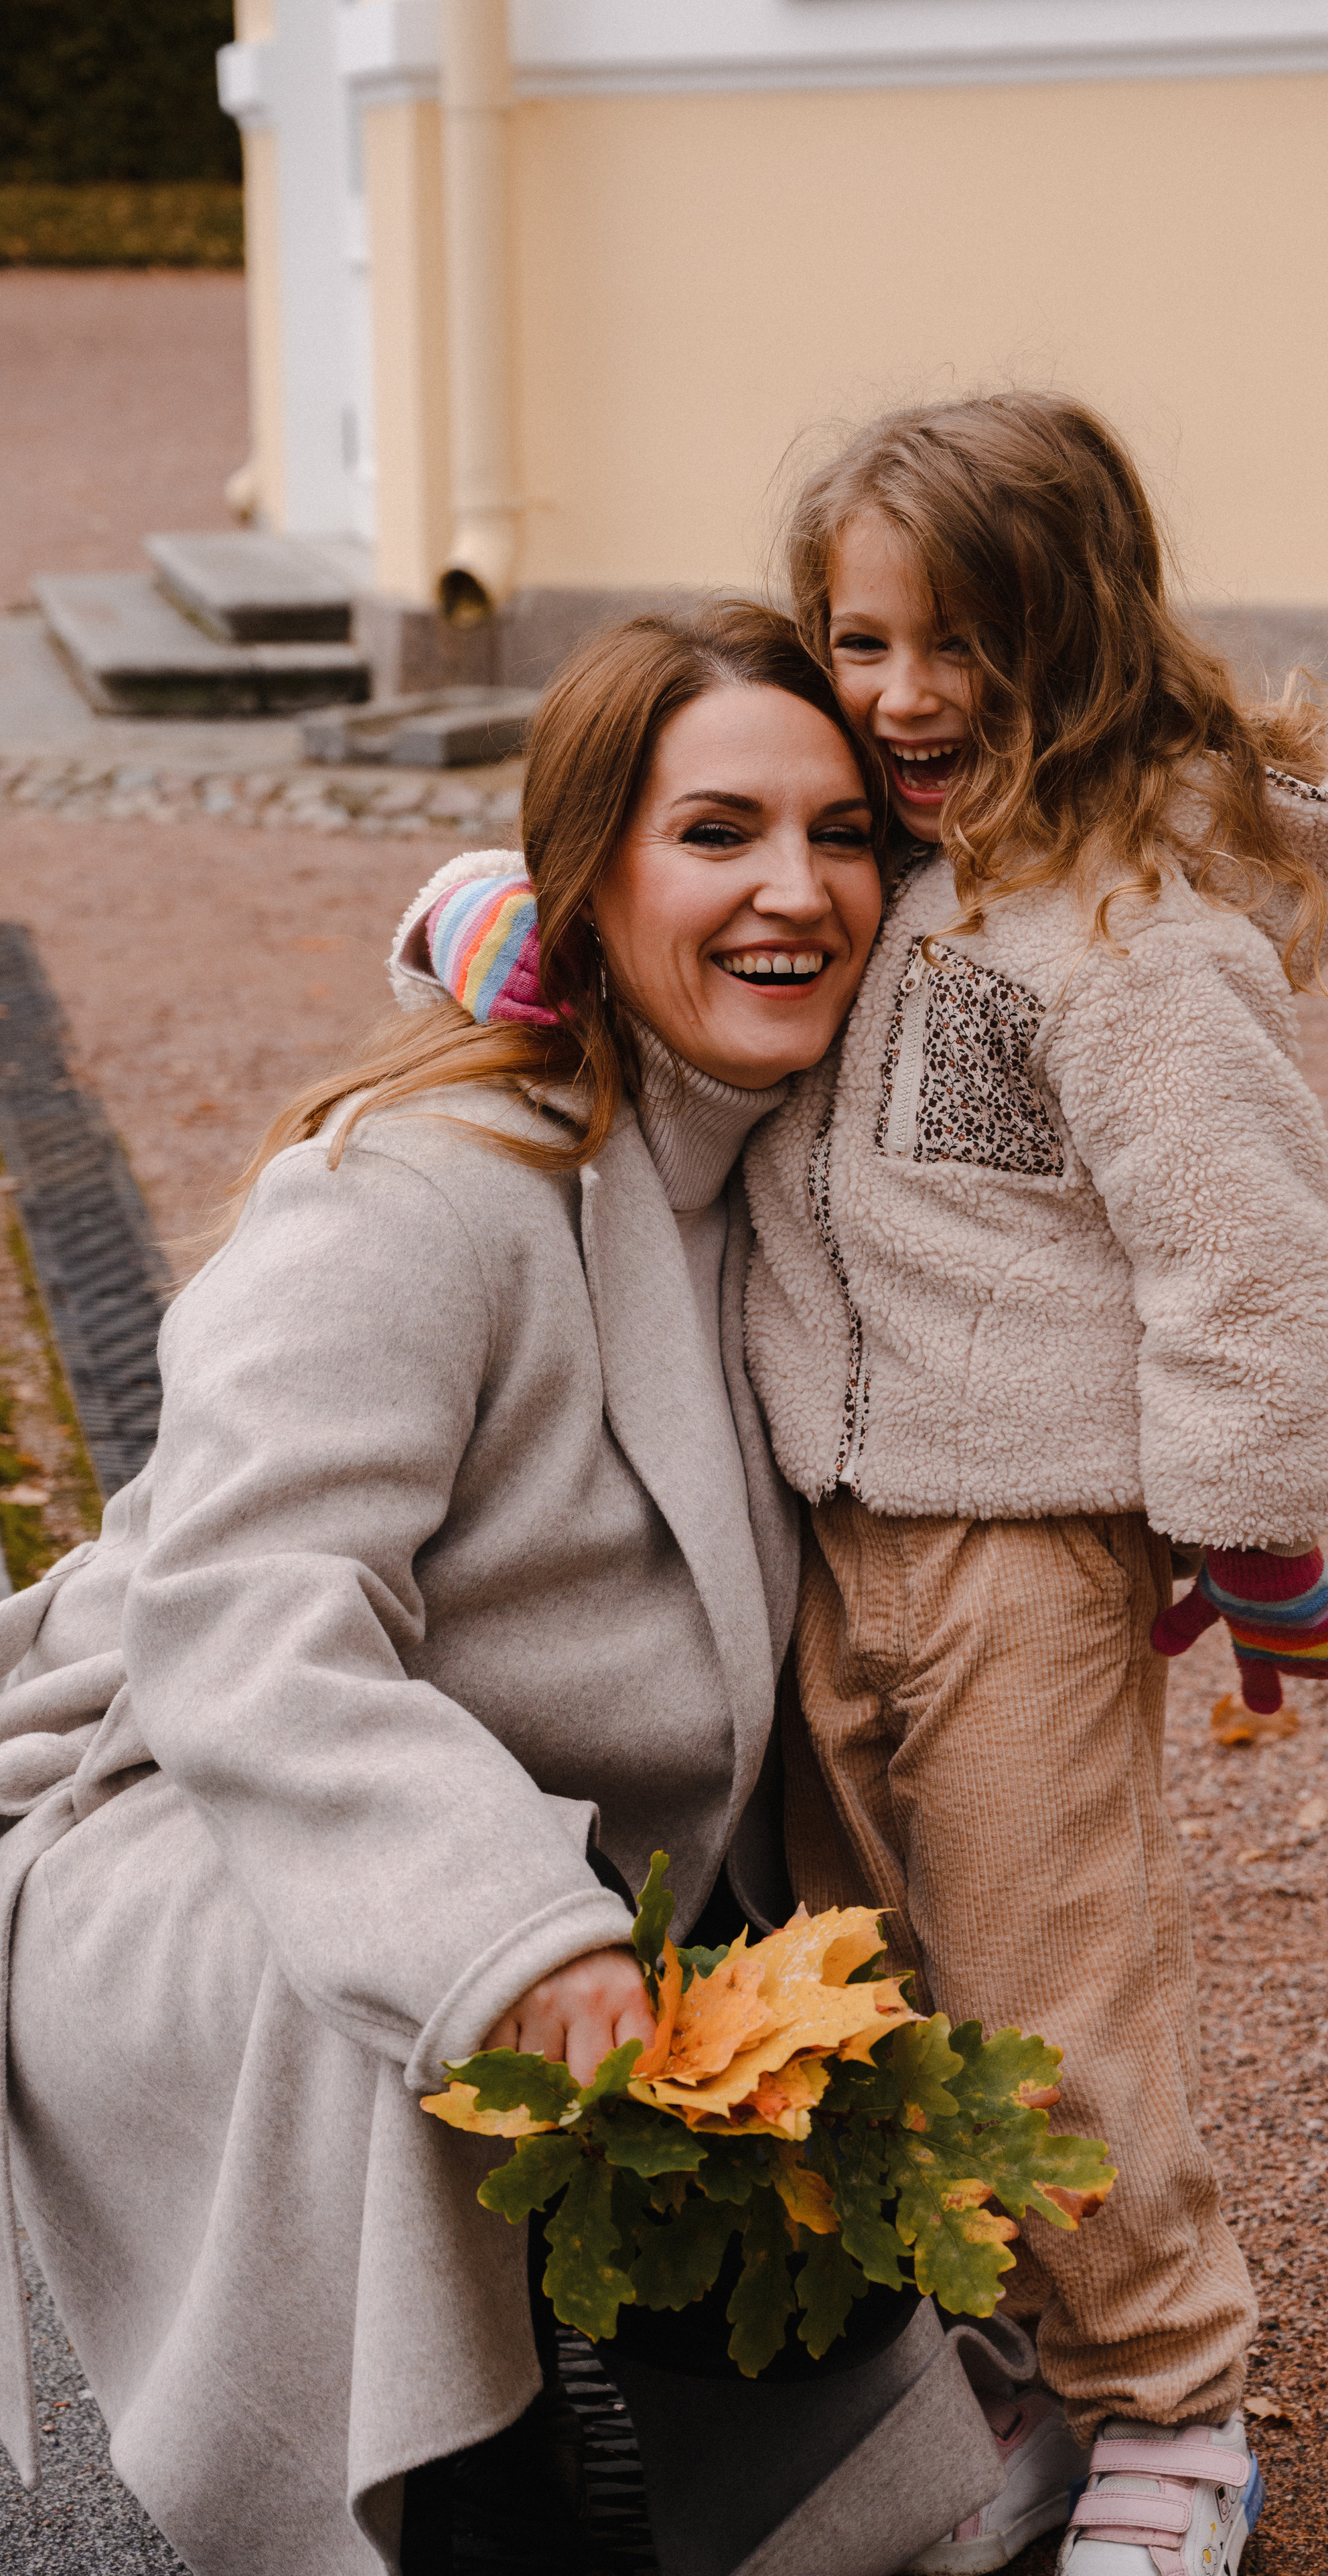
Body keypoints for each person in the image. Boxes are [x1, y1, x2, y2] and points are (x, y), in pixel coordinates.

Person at [0, 605, 1013, 2576]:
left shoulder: (816, 1185)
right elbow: (246, 1619)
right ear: (590, 872)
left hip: (593, 1873)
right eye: (716, 832)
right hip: (195, 1822)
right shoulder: (423, 1184)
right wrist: (509, 1934)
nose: (794, 890)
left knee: (848, 2171)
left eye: (842, 836)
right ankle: (444, 2510)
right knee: (394, 2013)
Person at [741, 394, 1328, 2576]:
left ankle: (1180, 2417)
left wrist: (1256, 1533)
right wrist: (472, 926)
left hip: (1024, 1551)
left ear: (1081, 638)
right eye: (862, 640)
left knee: (1049, 1996)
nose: (907, 696)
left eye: (964, 644)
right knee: (885, 1983)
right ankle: (1026, 2371)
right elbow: (634, 918)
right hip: (831, 1532)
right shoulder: (861, 874)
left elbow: (1247, 1255)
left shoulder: (1135, 942)